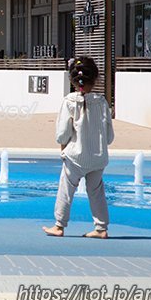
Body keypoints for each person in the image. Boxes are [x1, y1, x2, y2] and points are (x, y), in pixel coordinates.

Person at [43, 56, 114, 239]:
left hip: (75, 156)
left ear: (72, 80)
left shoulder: (69, 102)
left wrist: (63, 147)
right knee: (96, 191)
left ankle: (59, 225)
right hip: (98, 157)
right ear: (96, 78)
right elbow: (109, 136)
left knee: (66, 190)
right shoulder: (102, 102)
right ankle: (101, 228)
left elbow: (62, 133)